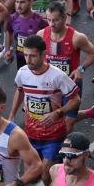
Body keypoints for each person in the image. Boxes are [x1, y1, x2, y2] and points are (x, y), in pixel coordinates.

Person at [11, 34, 80, 165]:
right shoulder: (22, 73)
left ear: (44, 55)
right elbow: (20, 91)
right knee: (30, 174)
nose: (28, 60)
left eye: (32, 56)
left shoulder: (57, 75)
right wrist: (12, 114)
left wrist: (58, 113)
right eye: (25, 55)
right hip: (30, 132)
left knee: (45, 174)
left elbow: (76, 100)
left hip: (54, 135)